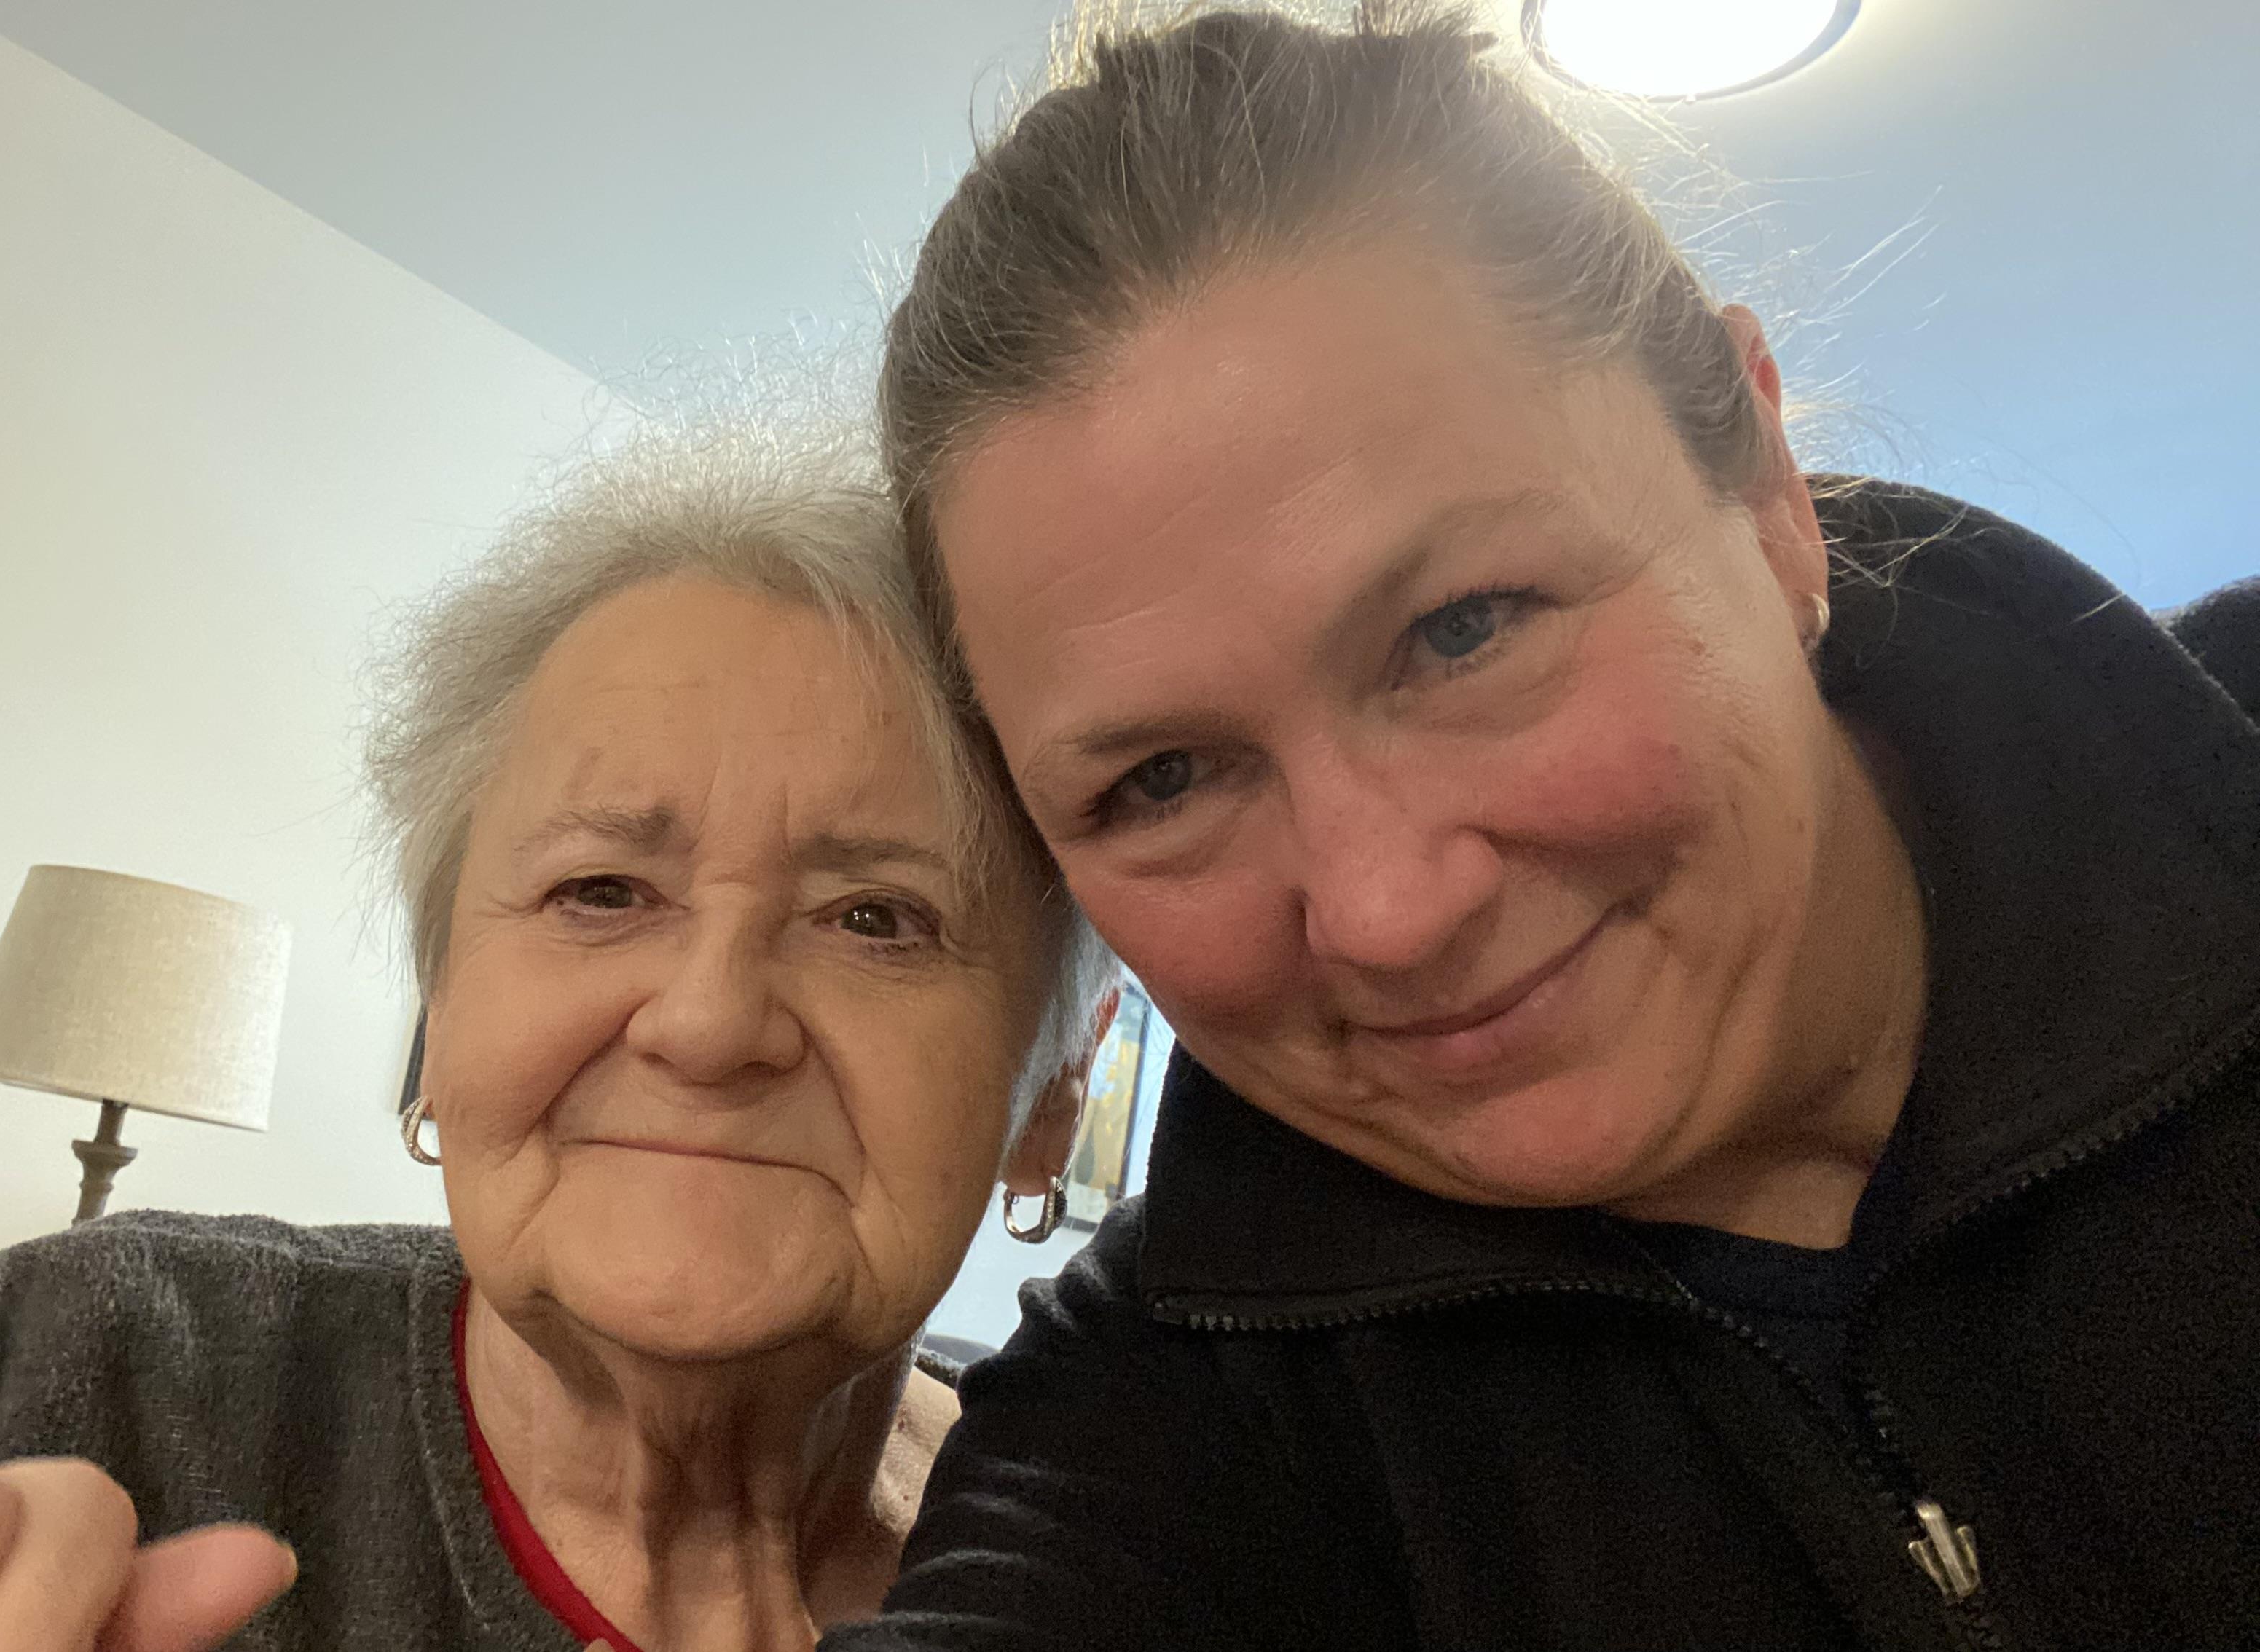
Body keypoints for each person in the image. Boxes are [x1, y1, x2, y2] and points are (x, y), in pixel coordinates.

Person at [828, 4, 2260, 1649]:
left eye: (1466, 627)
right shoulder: (1178, 1400)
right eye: (1160, 780)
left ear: (1770, 493)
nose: (1385, 909)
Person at [0, 420, 1110, 1652]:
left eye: (881, 916)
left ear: (1050, 1103)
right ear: (440, 1028)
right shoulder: (100, 1365)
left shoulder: (1133, 1547)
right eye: (597, 892)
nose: (713, 1020)